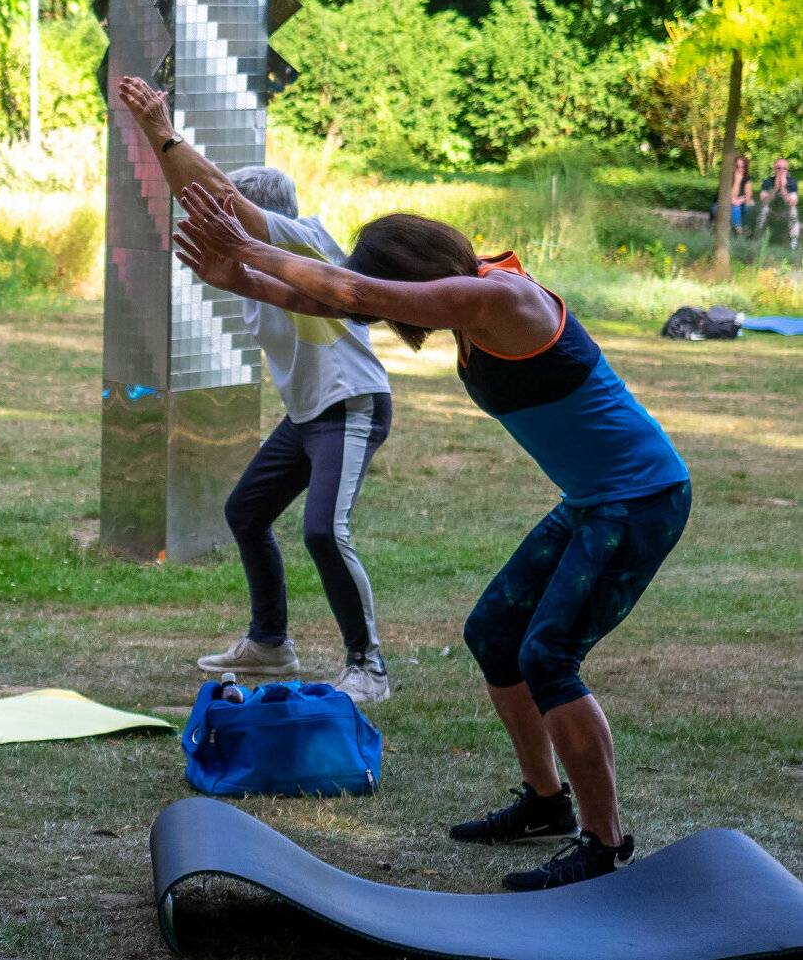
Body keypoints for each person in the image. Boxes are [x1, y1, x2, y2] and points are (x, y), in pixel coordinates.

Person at [174, 184, 690, 891]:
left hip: (641, 499)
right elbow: (343, 301)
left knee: (548, 655)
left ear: (414, 272)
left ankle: (605, 842)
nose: (390, 317)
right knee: (494, 634)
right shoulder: (469, 307)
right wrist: (240, 277)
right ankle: (546, 802)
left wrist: (250, 248)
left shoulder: (498, 299)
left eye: (396, 297)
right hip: (595, 501)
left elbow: (354, 291)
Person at [117, 76, 396, 703]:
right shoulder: (257, 267)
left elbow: (216, 194)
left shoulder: (304, 239)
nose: (213, 224)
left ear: (257, 215)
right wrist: (231, 274)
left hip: (350, 404)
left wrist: (161, 131)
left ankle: (368, 667)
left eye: (228, 216)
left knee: (324, 532)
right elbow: (218, 210)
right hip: (309, 415)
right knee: (246, 512)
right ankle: (270, 645)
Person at [756, 156, 799, 250]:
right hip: (772, 211)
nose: (781, 171)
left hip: (785, 212)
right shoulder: (767, 182)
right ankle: (760, 240)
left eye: (784, 168)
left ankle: (793, 241)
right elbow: (764, 202)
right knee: (764, 209)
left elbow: (793, 203)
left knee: (794, 211)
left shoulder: (792, 182)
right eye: (778, 168)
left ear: (787, 171)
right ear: (774, 170)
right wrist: (775, 188)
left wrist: (783, 188)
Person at [727, 154, 753, 236]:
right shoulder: (728, 178)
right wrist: (737, 181)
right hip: (724, 205)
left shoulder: (747, 179)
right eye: (737, 167)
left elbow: (749, 197)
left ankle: (747, 229)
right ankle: (739, 231)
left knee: (750, 205)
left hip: (740, 204)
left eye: (743, 167)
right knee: (736, 207)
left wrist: (741, 199)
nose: (740, 169)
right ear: (733, 167)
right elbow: (731, 198)